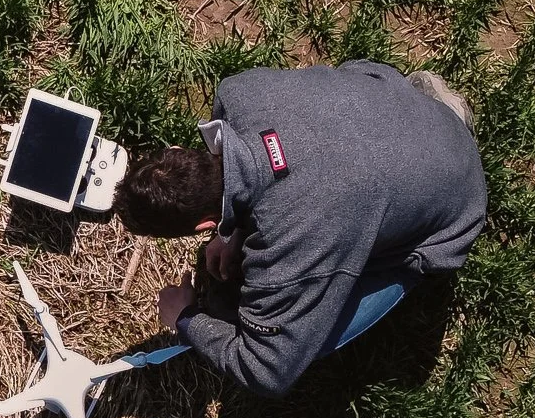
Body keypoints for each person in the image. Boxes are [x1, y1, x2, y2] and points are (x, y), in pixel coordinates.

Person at [115, 62, 487, 398]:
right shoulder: (239, 93)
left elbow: (267, 371)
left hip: (458, 209)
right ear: (178, 149)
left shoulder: (290, 243)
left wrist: (185, 318)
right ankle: (437, 117)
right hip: (402, 113)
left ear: (203, 226)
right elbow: (266, 169)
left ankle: (445, 160)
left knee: (291, 329)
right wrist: (231, 233)